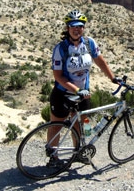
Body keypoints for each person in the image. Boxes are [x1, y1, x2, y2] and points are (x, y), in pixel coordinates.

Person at [47, 9, 120, 166]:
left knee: (81, 124)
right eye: (73, 26)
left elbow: (101, 62)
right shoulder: (61, 49)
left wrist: (113, 78)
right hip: (63, 94)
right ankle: (53, 156)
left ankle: (78, 153)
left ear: (83, 28)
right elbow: (58, 76)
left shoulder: (89, 43)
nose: (76, 29)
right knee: (56, 126)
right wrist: (76, 90)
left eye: (80, 26)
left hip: (83, 94)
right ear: (68, 28)